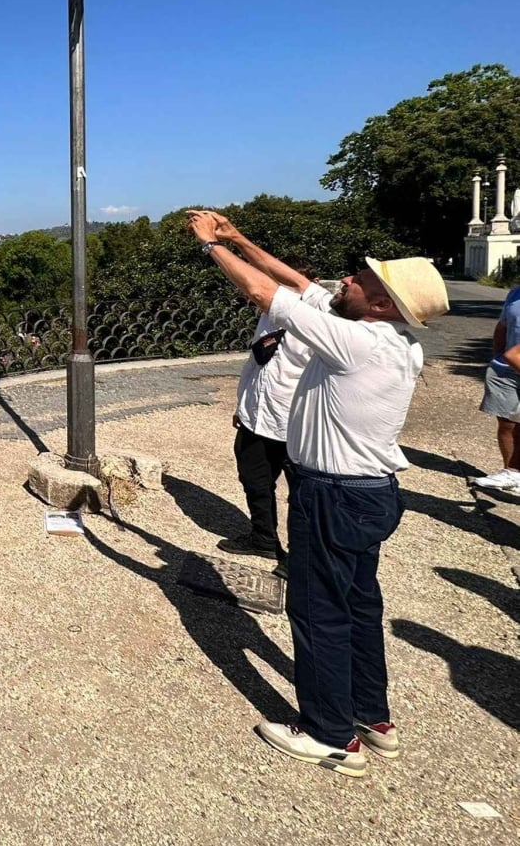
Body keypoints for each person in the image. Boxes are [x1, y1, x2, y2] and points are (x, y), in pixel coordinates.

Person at [187, 209, 449, 778]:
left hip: (331, 495)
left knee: (318, 610)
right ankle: (371, 718)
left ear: (381, 304)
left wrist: (211, 247)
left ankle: (330, 735)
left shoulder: (355, 343)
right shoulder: (396, 344)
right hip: (372, 493)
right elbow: (301, 286)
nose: (345, 281)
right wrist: (238, 237)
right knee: (359, 605)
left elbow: (264, 291)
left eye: (361, 280)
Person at [220, 256, 325, 564]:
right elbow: (259, 365)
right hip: (258, 416)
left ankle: (303, 558)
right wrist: (244, 406)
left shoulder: (320, 320)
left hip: (296, 421)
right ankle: (263, 537)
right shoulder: (268, 315)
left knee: (303, 493)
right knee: (254, 479)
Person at [474, 282, 520, 490]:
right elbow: (502, 327)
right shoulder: (515, 294)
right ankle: (511, 473)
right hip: (506, 369)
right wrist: (498, 357)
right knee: (508, 423)